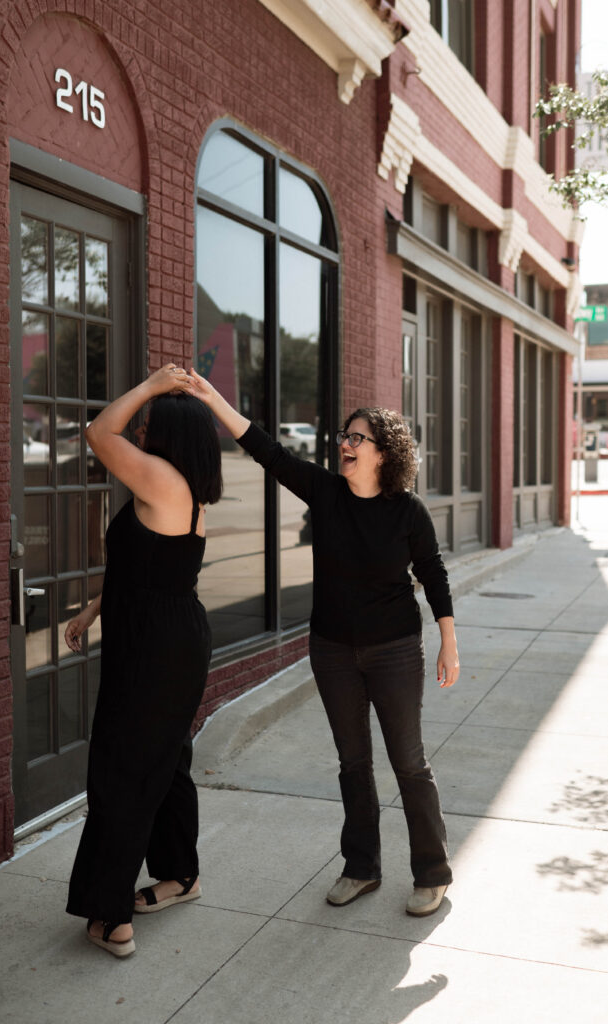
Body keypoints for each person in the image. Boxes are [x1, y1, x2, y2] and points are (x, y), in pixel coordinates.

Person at [183, 368, 459, 917]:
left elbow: (433, 573)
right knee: (352, 762)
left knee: (408, 762)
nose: (345, 444)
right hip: (333, 649)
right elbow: (266, 449)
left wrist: (449, 642)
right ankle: (361, 867)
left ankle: (431, 871)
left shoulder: (407, 510)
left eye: (357, 438)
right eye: (344, 436)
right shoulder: (327, 494)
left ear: (384, 453)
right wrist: (210, 395)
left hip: (396, 649)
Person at [64, 364, 222, 956]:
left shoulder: (161, 479)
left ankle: (111, 916)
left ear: (168, 436)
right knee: (165, 761)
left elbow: (99, 433)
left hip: (155, 648)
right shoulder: (182, 489)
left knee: (123, 770)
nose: (144, 429)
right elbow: (145, 572)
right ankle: (180, 875)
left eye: (152, 421)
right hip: (168, 636)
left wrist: (154, 384)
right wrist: (90, 612)